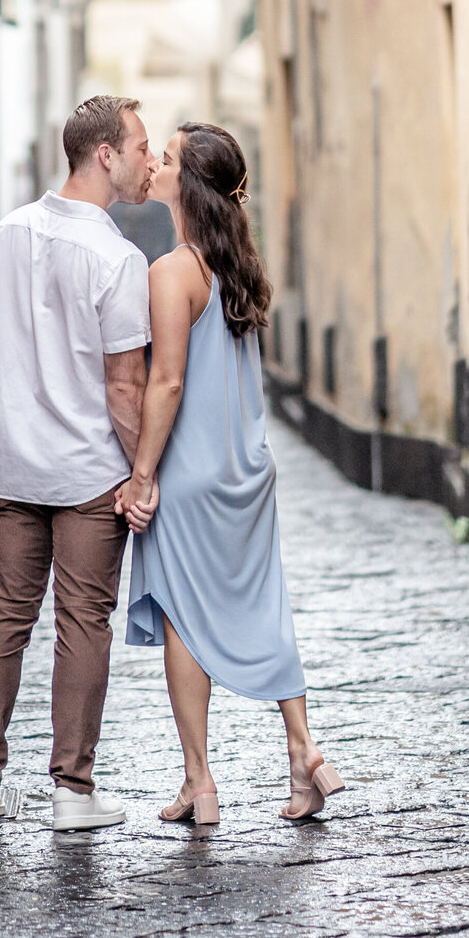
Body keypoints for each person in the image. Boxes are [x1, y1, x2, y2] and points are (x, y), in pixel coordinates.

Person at [118, 123, 344, 826]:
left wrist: (142, 474)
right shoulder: (238, 263)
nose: (154, 161)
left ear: (185, 183)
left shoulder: (172, 271)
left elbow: (168, 383)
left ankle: (199, 782)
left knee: (183, 612)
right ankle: (304, 750)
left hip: (190, 473)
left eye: (170, 156)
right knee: (266, 603)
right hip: (249, 469)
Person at [0, 95, 159, 832]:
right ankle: (72, 792)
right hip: (87, 474)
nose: (147, 158)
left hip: (13, 467)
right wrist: (143, 472)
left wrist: (19, 413)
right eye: (140, 144)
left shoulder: (0, 237)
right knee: (83, 622)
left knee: (3, 617)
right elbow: (124, 386)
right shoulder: (117, 257)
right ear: (104, 154)